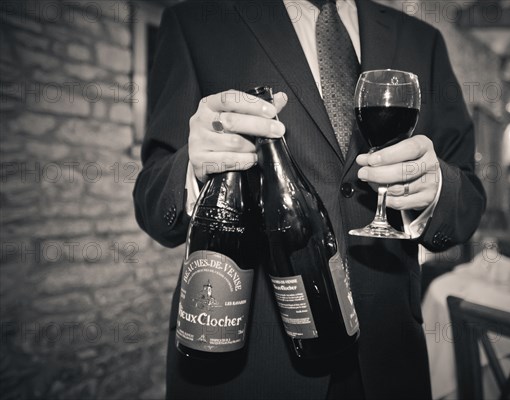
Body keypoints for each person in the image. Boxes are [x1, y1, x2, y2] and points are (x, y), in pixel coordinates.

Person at [133, 0, 486, 399]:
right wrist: (194, 168)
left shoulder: (423, 41)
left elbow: (468, 200)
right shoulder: (197, 21)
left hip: (388, 360)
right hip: (249, 368)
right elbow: (151, 203)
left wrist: (436, 190)